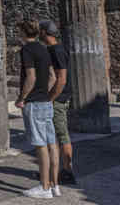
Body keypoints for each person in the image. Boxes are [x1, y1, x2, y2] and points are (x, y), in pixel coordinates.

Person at [16, 19, 59, 199]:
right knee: (51, 143)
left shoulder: (27, 50)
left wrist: (22, 98)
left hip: (34, 103)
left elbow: (31, 77)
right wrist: (44, 94)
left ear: (23, 33)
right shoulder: (44, 48)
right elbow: (52, 77)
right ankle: (54, 185)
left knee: (40, 146)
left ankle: (44, 187)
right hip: (46, 102)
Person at [39, 20, 76, 185]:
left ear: (44, 32)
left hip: (57, 99)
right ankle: (52, 171)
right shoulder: (54, 49)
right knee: (52, 136)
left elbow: (61, 79)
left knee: (61, 135)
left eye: (40, 30)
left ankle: (67, 171)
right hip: (57, 98)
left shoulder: (56, 51)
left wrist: (50, 99)